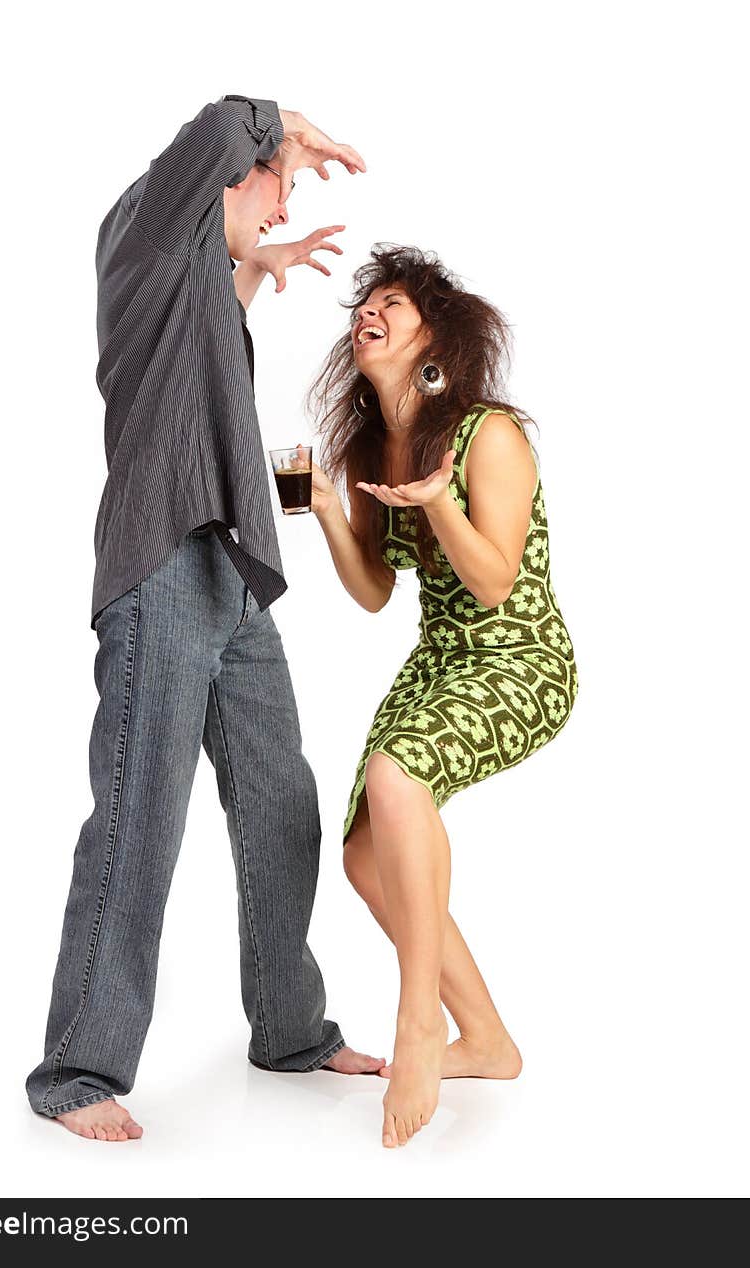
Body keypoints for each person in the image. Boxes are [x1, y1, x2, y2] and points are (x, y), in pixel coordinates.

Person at [25, 95, 385, 1144]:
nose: (283, 205)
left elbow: (204, 376)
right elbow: (216, 130)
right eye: (276, 182)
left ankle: (288, 1029)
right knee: (142, 816)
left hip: (231, 572)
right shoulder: (142, 228)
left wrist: (253, 274)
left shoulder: (198, 287)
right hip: (161, 566)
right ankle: (76, 1068)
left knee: (282, 802)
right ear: (233, 174)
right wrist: (287, 121)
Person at [308, 244, 580, 1149]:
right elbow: (377, 592)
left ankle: (419, 1021)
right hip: (439, 660)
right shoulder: (366, 449)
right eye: (363, 307)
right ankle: (490, 1041)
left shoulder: (488, 433)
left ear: (435, 336)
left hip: (520, 658)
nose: (368, 315)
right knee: (361, 858)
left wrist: (438, 502)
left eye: (391, 304)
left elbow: (498, 582)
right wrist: (325, 512)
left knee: (396, 779)